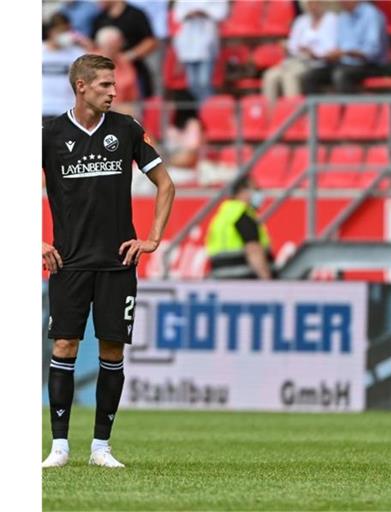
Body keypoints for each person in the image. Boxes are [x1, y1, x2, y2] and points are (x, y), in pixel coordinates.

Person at [42, 54, 175, 468]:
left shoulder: (127, 129)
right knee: (64, 344)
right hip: (69, 262)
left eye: (114, 85)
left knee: (112, 350)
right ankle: (59, 447)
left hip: (118, 263)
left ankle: (101, 446)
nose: (114, 92)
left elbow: (165, 184)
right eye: (104, 85)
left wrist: (152, 238)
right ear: (81, 86)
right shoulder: (48, 133)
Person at [301, 0, 389, 94]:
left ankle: (351, 108)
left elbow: (372, 52)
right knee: (309, 77)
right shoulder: (343, 16)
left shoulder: (371, 14)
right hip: (345, 64)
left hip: (370, 65)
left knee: (341, 75)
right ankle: (317, 108)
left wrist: (346, 53)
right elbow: (340, 47)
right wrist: (329, 55)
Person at [262, 0, 338, 104]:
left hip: (317, 62)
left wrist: (314, 52)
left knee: (289, 77)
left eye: (316, 3)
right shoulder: (301, 20)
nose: (314, 6)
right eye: (311, 3)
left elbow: (331, 47)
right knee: (270, 76)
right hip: (296, 59)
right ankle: (271, 115)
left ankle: (293, 114)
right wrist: (289, 47)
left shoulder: (332, 20)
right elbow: (293, 44)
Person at [205, 176, 274, 280]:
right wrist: (267, 280)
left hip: (221, 279)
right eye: (256, 190)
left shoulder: (223, 215)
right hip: (243, 282)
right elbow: (253, 250)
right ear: (242, 191)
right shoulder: (242, 215)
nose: (259, 194)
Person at [92, 0, 158, 98]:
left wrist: (130, 55)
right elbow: (94, 45)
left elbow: (151, 41)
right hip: (107, 71)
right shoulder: (100, 18)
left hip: (134, 70)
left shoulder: (136, 15)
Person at [171, 0, 228, 102]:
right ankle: (205, 110)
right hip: (188, 44)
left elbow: (221, 13)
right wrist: (189, 14)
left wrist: (203, 13)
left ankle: (209, 111)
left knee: (204, 82)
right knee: (192, 84)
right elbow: (177, 15)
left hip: (207, 42)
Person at [43, 13, 91, 122]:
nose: (64, 34)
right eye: (60, 31)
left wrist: (87, 44)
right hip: (43, 109)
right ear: (51, 31)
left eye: (67, 30)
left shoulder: (78, 53)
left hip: (67, 110)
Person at [94, 26, 139, 116]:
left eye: (119, 44)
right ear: (102, 46)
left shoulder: (125, 63)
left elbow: (132, 96)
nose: (119, 47)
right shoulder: (89, 63)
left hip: (121, 111)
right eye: (113, 45)